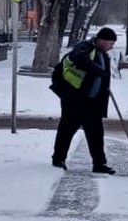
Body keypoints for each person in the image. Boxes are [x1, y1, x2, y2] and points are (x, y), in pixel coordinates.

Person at [50, 27, 117, 174]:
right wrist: (98, 71)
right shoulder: (84, 47)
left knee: (96, 133)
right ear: (102, 40)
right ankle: (58, 159)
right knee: (67, 129)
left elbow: (102, 77)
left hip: (92, 102)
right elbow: (81, 61)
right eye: (110, 43)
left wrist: (104, 90)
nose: (111, 47)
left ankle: (99, 164)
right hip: (74, 98)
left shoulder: (102, 55)